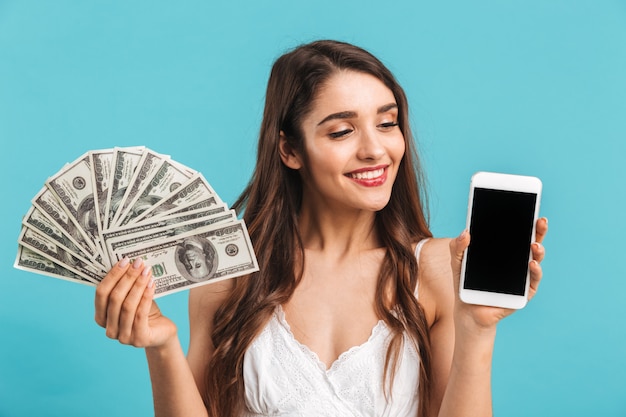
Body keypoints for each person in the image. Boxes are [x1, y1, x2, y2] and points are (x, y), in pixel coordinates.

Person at [94, 40, 548, 417]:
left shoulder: (434, 270)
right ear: (290, 150)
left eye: (387, 123)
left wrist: (478, 329)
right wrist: (162, 345)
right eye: (340, 132)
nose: (375, 149)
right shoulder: (230, 275)